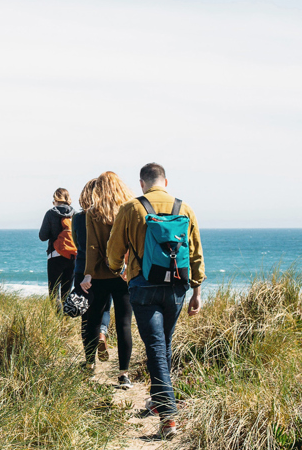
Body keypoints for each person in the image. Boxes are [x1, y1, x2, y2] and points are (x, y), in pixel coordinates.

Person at [106, 163, 205, 440]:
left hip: (143, 285)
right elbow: (196, 252)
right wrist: (196, 291)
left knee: (156, 348)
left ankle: (169, 418)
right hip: (176, 287)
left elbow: (114, 251)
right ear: (166, 181)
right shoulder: (185, 209)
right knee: (164, 344)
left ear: (142, 183)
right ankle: (158, 401)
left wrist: (117, 269)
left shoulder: (131, 208)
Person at [78, 172, 134, 388]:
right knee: (124, 324)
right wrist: (128, 267)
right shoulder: (130, 208)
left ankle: (90, 365)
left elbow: (92, 246)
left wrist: (88, 274)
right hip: (124, 275)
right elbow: (134, 243)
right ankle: (123, 375)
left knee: (92, 320)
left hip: (100, 274)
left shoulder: (93, 212)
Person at [72, 179, 112, 361]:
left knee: (85, 314)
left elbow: (75, 241)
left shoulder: (78, 218)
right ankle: (102, 334)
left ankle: (89, 361)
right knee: (104, 309)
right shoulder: (108, 216)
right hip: (104, 270)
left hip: (82, 269)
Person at [39, 187, 77, 304]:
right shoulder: (75, 214)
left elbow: (42, 236)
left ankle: (58, 320)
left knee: (54, 293)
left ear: (55, 199)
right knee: (66, 292)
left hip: (55, 256)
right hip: (72, 256)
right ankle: (65, 320)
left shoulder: (51, 213)